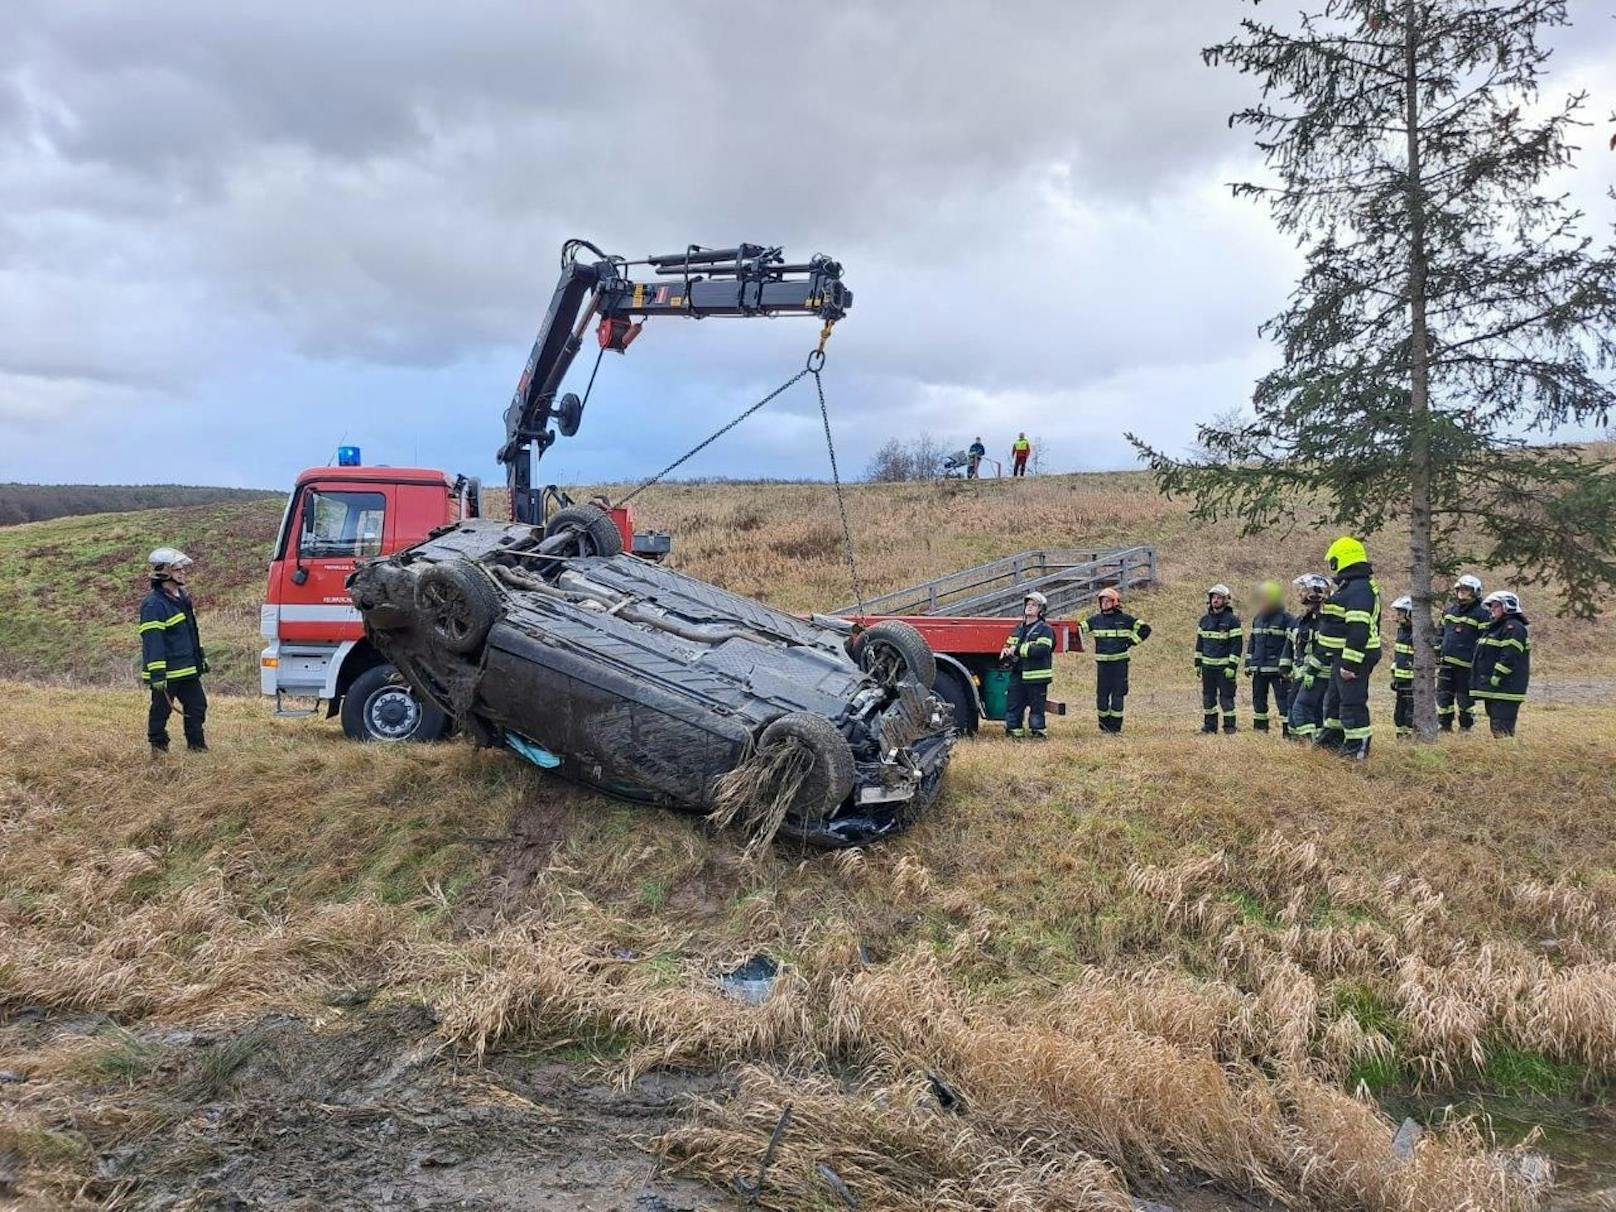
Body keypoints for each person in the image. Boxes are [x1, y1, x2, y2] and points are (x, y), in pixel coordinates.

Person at [1317, 536, 1382, 760]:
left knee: (1352, 702)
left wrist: (1350, 663)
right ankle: (1333, 737)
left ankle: (1358, 747)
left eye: (1333, 561)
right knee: (1335, 699)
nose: (1331, 565)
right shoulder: (1351, 586)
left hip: (1356, 656)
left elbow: (1358, 630)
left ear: (1342, 559)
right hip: (1342, 654)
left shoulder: (1359, 589)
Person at [140, 546, 209, 754]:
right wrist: (157, 674)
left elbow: (190, 633)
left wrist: (200, 659)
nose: (183, 572)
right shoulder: (153, 605)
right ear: (165, 573)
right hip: (167, 673)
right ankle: (158, 749)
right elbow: (153, 641)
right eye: (178, 569)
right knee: (161, 711)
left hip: (187, 669)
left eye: (182, 569)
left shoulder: (182, 598)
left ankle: (197, 747)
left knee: (197, 707)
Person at [1082, 586, 1150, 733]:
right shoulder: (1095, 620)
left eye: (1108, 601)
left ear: (1115, 602)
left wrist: (1131, 641)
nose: (1104, 603)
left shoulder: (1125, 620)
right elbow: (1079, 629)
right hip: (1103, 665)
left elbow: (1145, 629)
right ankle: (1104, 725)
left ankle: (1115, 727)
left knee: (1118, 695)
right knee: (1102, 696)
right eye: (1102, 601)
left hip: (1120, 664)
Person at [1471, 590, 1530, 738]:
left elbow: (1510, 655)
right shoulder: (1496, 627)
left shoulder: (1514, 627)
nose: (1492, 609)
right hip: (1496, 689)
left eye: (1495, 606)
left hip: (1506, 688)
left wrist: (1498, 674)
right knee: (1496, 725)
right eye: (1491, 606)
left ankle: (1508, 756)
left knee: (1502, 728)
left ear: (1507, 606)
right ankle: (1503, 754)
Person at [1283, 573, 1331, 741]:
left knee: (1302, 709)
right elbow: (1291, 645)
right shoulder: (1303, 620)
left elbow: (1324, 649)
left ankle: (1310, 743)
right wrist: (1285, 667)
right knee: (1295, 706)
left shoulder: (1324, 621)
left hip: (1317, 673)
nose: (1300, 593)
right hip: (1302, 673)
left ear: (1313, 593)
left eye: (1303, 589)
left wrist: (1312, 671)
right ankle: (1301, 742)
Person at [1000, 591, 1055, 738]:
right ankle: (1014, 734)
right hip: (1018, 674)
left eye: (1034, 605)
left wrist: (1016, 650)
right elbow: (1010, 644)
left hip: (1036, 676)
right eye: (1028, 604)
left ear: (1041, 610)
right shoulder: (1019, 629)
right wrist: (1005, 651)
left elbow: (1042, 650)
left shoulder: (1045, 629)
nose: (1029, 607)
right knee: (1013, 706)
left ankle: (1038, 734)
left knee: (1037, 709)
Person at [1437, 573, 1488, 732]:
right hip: (1446, 664)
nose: (1462, 593)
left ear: (1475, 592)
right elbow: (1441, 632)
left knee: (1464, 698)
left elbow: (1484, 641)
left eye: (1466, 590)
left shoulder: (1481, 613)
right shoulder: (1450, 610)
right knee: (1443, 696)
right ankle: (1445, 726)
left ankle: (1466, 727)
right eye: (1460, 589)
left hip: (1467, 666)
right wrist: (1437, 651)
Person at [1245, 579, 1294, 735]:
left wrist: (1287, 667)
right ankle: (1260, 730)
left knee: (1284, 701)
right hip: (1259, 669)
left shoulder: (1287, 619)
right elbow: (1252, 643)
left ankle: (1288, 732)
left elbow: (1291, 645)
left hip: (1278, 671)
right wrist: (1248, 663)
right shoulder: (1257, 619)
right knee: (1258, 701)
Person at [1193, 584, 1242, 733]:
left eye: (1219, 598)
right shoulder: (1204, 621)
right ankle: (1209, 727)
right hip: (1208, 668)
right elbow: (1199, 644)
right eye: (1213, 597)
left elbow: (1236, 646)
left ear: (1226, 600)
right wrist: (1197, 664)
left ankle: (1229, 727)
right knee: (1208, 699)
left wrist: (1232, 667)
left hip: (1224, 669)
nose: (1215, 600)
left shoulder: (1232, 621)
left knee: (1226, 699)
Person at [1390, 595, 1415, 739]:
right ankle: (1401, 736)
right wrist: (1394, 676)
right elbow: (1398, 656)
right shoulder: (1402, 631)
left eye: (1401, 613)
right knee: (1400, 710)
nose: (1398, 616)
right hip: (1401, 680)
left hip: (1413, 681)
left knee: (1411, 710)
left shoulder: (1417, 634)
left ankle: (1411, 738)